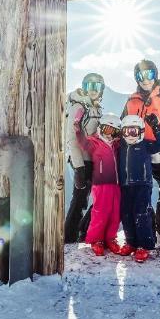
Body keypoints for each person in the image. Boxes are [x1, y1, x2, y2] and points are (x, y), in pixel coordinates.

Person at [122, 59, 160, 248]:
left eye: (149, 74)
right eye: (140, 75)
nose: (145, 79)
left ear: (155, 75)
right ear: (136, 78)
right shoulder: (131, 100)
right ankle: (142, 229)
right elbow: (122, 125)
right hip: (136, 152)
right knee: (134, 190)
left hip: (158, 149)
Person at [73, 112, 124, 256]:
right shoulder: (95, 142)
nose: (109, 134)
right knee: (100, 212)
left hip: (116, 184)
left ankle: (110, 238)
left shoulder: (116, 145)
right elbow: (82, 142)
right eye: (107, 129)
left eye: (113, 131)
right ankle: (96, 240)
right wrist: (77, 127)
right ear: (101, 128)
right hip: (101, 184)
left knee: (115, 213)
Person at [118, 113, 160, 262]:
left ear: (140, 131)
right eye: (126, 131)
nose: (130, 135)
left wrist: (156, 127)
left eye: (133, 131)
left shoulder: (145, 145)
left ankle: (144, 245)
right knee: (126, 214)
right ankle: (131, 242)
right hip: (125, 185)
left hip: (142, 185)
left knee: (141, 214)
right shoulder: (121, 146)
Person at [64, 72, 105, 243]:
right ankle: (69, 237)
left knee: (99, 195)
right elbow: (71, 140)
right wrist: (79, 168)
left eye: (97, 86)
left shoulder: (95, 107)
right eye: (90, 86)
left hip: (93, 159)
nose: (93, 90)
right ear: (84, 87)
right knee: (80, 197)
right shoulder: (79, 106)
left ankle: (82, 230)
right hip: (81, 159)